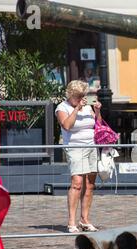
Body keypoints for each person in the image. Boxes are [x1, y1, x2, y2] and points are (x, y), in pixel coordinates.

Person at [55, 80, 102, 233]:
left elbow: (98, 125)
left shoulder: (88, 106)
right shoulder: (62, 107)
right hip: (75, 147)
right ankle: (71, 222)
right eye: (79, 96)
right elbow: (67, 126)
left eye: (84, 95)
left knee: (90, 184)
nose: (82, 98)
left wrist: (97, 111)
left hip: (91, 146)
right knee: (77, 183)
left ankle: (85, 219)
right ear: (71, 95)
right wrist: (76, 109)